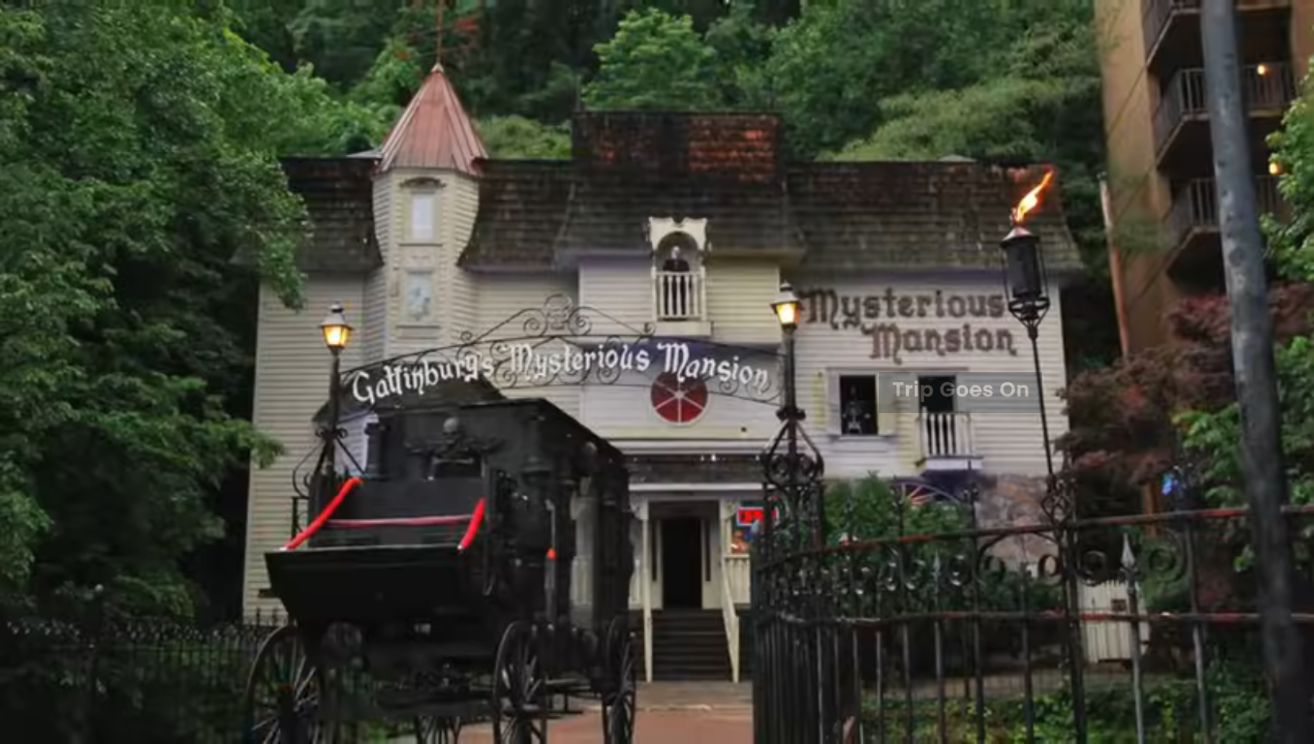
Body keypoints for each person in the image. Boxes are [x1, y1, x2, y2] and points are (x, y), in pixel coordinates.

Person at [661, 245, 691, 317]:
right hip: (671, 285)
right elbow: (665, 271)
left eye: (678, 251)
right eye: (675, 251)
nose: (676, 253)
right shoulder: (667, 262)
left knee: (682, 300)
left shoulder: (684, 262)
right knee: (670, 299)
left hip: (682, 285)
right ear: (672, 252)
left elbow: (687, 272)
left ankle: (682, 314)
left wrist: (689, 285)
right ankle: (669, 314)